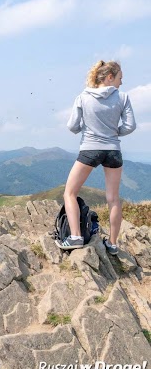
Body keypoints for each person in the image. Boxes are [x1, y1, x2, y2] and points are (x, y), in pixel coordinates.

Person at [57, 60, 136, 254]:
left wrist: (87, 129)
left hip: (90, 148)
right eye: (120, 78)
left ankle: (75, 236)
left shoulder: (83, 97)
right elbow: (130, 126)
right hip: (113, 150)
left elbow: (72, 126)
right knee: (113, 199)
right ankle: (113, 244)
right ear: (110, 76)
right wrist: (115, 132)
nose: (121, 83)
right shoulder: (123, 97)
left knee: (70, 193)